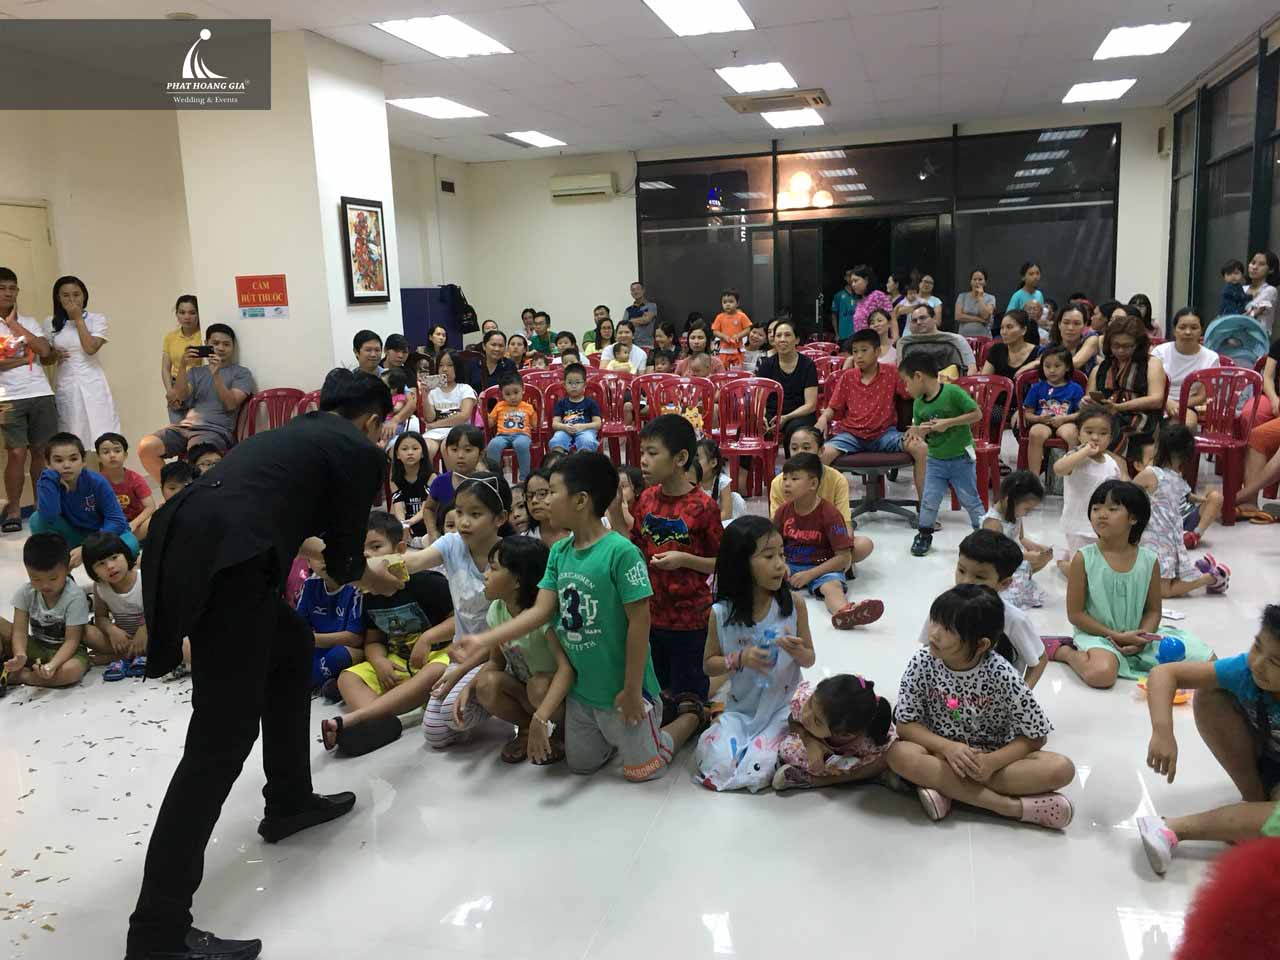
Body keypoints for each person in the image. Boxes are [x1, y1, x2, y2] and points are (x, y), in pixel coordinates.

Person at [124, 368, 407, 960]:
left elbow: (279, 513)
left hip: (187, 539)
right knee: (218, 744)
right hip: (232, 564)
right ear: (373, 421)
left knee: (290, 643)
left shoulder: (297, 432)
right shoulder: (358, 450)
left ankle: (289, 801)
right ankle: (156, 933)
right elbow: (347, 562)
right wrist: (372, 577)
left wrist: (332, 556)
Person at [460, 452, 705, 781]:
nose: (544, 501)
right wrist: (484, 638)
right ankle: (618, 736)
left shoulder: (621, 552)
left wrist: (633, 690)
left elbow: (640, 624)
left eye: (552, 492)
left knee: (643, 771)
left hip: (624, 690)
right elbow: (541, 611)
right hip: (583, 696)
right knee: (581, 766)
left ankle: (689, 716)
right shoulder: (559, 553)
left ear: (580, 501)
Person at [888, 584, 1075, 828]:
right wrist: (948, 747)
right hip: (938, 750)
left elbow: (1036, 737)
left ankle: (945, 788)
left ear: (981, 645)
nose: (933, 633)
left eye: (947, 629)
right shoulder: (922, 662)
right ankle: (1010, 808)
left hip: (988, 759)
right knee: (897, 753)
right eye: (934, 621)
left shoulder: (1002, 674)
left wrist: (991, 763)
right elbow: (905, 724)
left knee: (1061, 769)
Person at [1136, 605, 1280, 876]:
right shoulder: (1246, 672)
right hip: (1266, 761)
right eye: (1257, 646)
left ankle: (1252, 822)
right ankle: (1170, 828)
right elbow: (1164, 673)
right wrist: (1163, 731)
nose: (1258, 663)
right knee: (1210, 694)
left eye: (1276, 662)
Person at [607, 414, 722, 704]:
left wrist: (685, 559)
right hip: (650, 615)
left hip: (690, 620)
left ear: (680, 458)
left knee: (689, 698)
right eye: (642, 453)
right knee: (658, 694)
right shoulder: (646, 499)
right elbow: (633, 550)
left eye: (652, 453)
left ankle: (725, 676)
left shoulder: (704, 506)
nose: (643, 461)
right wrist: (616, 513)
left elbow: (722, 562)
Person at [695, 515, 815, 792]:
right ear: (740, 564)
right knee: (717, 762)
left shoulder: (794, 604)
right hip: (742, 710)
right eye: (769, 556)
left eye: (782, 554)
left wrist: (799, 652)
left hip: (783, 709)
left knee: (759, 767)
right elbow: (709, 665)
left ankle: (781, 759)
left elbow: (810, 659)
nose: (780, 564)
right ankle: (722, 724)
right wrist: (739, 659)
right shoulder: (721, 613)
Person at [1054, 479, 1212, 690]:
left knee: (1208, 662)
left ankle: (1133, 654)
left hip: (1138, 635)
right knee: (1101, 674)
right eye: (1096, 508)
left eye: (1112, 509)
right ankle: (1065, 652)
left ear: (1134, 518)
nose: (1101, 514)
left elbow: (1153, 611)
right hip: (1098, 635)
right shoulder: (1084, 558)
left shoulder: (1149, 560)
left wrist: (1143, 638)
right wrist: (1116, 636)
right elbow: (1076, 614)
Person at [321, 510, 455, 755]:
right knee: (347, 679)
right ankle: (382, 723)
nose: (366, 555)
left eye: (376, 546)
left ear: (400, 549)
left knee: (438, 670)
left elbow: (458, 621)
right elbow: (373, 640)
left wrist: (428, 638)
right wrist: (379, 661)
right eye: (361, 550)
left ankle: (366, 716)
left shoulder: (427, 581)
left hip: (435, 656)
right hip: (398, 663)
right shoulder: (368, 593)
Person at [467, 536, 572, 763]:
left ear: (517, 580)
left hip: (561, 697)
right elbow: (496, 662)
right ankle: (526, 729)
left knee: (538, 685)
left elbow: (568, 670)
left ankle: (562, 732)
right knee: (486, 683)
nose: (485, 575)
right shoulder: (497, 610)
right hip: (527, 691)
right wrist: (469, 686)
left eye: (493, 568)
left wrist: (542, 716)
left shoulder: (543, 618)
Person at [137, 323, 254, 484]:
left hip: (214, 430)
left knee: (197, 455)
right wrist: (183, 366)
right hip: (184, 427)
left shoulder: (241, 373)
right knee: (146, 447)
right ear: (206, 344)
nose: (220, 348)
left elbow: (231, 404)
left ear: (233, 347)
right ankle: (175, 492)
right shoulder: (196, 372)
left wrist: (216, 375)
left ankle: (193, 495)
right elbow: (179, 397)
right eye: (215, 343)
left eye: (226, 344)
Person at [774, 453, 880, 629]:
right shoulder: (782, 511)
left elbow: (843, 558)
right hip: (790, 565)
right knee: (762, 578)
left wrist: (810, 574)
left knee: (832, 588)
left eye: (794, 479)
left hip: (822, 567)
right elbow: (773, 545)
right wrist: (781, 563)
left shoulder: (830, 514)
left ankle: (845, 613)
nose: (786, 484)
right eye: (785, 478)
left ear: (813, 484)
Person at [818, 328, 924, 496]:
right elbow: (833, 407)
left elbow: (914, 395)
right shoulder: (847, 377)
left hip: (885, 434)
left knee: (921, 448)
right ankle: (822, 508)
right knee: (820, 456)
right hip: (851, 435)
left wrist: (917, 425)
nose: (859, 356)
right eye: (855, 351)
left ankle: (925, 507)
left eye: (864, 350)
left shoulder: (892, 373)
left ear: (877, 351)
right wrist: (823, 418)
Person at [899, 352, 984, 557]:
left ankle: (985, 534)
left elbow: (977, 414)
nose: (905, 388)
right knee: (929, 500)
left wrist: (948, 423)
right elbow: (921, 430)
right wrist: (917, 432)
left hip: (961, 458)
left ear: (918, 376)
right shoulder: (918, 403)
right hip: (935, 460)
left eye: (906, 382)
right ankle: (924, 534)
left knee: (970, 499)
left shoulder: (952, 392)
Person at [1135, 422, 1229, 597]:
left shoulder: (1150, 474)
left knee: (1163, 591)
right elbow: (1189, 496)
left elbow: (1126, 494)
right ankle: (1200, 570)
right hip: (1170, 537)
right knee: (1155, 580)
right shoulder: (1177, 478)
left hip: (1155, 539)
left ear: (1160, 449)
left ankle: (1212, 578)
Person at [944, 529, 1048, 685]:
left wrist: (1022, 694)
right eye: (961, 570)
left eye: (979, 577)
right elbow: (928, 651)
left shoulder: (1014, 619)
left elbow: (1039, 660)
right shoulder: (943, 609)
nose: (965, 581)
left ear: (1004, 583)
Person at [0, 267, 56, 534]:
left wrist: (14, 325)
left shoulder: (28, 322)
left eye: (12, 288)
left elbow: (44, 350)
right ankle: (13, 509)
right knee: (16, 453)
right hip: (9, 397)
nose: (8, 293)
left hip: (41, 393)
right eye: (2, 288)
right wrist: (24, 358)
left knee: (41, 453)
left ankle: (40, 507)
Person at [30, 432, 138, 568]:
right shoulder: (47, 482)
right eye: (58, 461)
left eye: (73, 459)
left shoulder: (97, 482)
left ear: (83, 461)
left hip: (102, 533)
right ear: (48, 463)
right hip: (74, 534)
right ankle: (58, 568)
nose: (66, 465)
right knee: (37, 519)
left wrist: (88, 547)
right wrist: (49, 478)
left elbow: (116, 520)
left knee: (130, 545)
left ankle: (100, 565)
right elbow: (48, 516)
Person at [772, 673, 896, 792]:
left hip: (853, 756)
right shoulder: (807, 699)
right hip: (821, 746)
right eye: (810, 705)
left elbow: (882, 756)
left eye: (817, 721)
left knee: (876, 762)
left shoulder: (866, 741)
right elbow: (793, 719)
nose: (806, 716)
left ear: (843, 734)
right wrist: (810, 742)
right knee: (787, 750)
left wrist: (844, 766)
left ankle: (814, 779)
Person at [1, 531, 90, 688]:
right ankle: (21, 667)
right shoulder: (26, 592)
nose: (45, 585)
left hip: (67, 653)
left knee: (71, 671)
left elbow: (72, 641)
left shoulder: (75, 596)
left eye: (53, 578)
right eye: (35, 579)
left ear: (67, 569)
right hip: (37, 647)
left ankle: (24, 676)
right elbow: (19, 632)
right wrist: (20, 654)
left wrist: (52, 665)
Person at [44, 275, 121, 451]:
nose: (72, 299)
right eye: (65, 295)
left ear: (84, 296)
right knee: (72, 431)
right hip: (66, 382)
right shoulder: (50, 322)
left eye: (76, 294)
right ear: (58, 298)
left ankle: (104, 467)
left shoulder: (96, 319)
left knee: (102, 432)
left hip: (92, 381)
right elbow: (45, 359)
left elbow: (90, 348)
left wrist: (78, 319)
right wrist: (54, 354)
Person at [1088, 312, 1167, 464]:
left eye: (1127, 346)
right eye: (1116, 345)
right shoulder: (1101, 368)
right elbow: (1089, 398)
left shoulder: (1151, 363)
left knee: (1109, 428)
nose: (1120, 351)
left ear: (1138, 344)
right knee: (1092, 426)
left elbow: (1156, 400)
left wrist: (1119, 407)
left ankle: (1120, 470)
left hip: (1140, 416)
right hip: (1105, 415)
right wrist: (1087, 402)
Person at [1054, 404, 1124, 569]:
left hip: (1104, 524)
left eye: (1103, 433)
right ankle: (1063, 564)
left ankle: (1066, 560)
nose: (1095, 437)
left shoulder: (1111, 463)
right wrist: (1084, 452)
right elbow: (1059, 469)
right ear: (1079, 435)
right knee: (1082, 568)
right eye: (1089, 432)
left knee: (1102, 565)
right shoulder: (1076, 458)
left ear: (1110, 438)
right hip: (1079, 525)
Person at [293, 550, 366, 696]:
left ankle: (304, 683)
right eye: (317, 556)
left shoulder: (355, 587)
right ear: (308, 563)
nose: (325, 560)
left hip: (348, 649)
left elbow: (355, 638)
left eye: (330, 554)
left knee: (340, 655)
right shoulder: (309, 585)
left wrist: (307, 639)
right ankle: (327, 684)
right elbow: (297, 627)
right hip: (318, 646)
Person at [981, 472, 1050, 610]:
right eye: (1027, 509)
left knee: (1043, 559)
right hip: (998, 564)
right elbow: (995, 554)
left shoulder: (1015, 514)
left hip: (1013, 560)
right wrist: (1025, 556)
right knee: (1010, 596)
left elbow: (1021, 538)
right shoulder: (993, 522)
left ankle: (1021, 579)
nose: (1027, 513)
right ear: (1009, 501)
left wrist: (1039, 547)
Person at [82, 531, 147, 678]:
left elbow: (160, 610)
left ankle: (118, 657)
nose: (110, 566)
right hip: (122, 640)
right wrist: (112, 630)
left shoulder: (144, 579)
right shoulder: (100, 587)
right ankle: (132, 654)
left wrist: (145, 629)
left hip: (150, 634)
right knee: (85, 631)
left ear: (126, 555)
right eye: (101, 564)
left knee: (179, 642)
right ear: (92, 571)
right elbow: (101, 618)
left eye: (114, 557)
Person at [768, 426, 852, 529]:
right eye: (794, 448)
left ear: (821, 451)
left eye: (806, 448)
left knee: (862, 540)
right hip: (791, 536)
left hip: (827, 536)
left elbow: (845, 525)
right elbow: (775, 529)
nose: (799, 453)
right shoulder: (778, 483)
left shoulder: (837, 480)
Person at [1021, 345, 1084, 476]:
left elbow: (1081, 413)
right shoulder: (1036, 388)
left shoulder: (1075, 388)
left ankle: (1070, 475)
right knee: (1035, 433)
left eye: (1057, 366)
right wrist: (1039, 419)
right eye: (1047, 366)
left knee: (1073, 433)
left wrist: (1065, 419)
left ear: (1067, 367)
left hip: (1066, 422)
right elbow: (1027, 414)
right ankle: (1034, 477)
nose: (1052, 370)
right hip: (1042, 423)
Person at [756, 319, 818, 441]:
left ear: (797, 340)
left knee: (795, 431)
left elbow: (810, 405)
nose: (782, 339)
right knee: (747, 427)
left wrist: (786, 417)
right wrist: (761, 417)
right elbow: (759, 400)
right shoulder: (766, 365)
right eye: (778, 336)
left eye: (787, 335)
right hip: (772, 414)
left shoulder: (808, 365)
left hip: (798, 415)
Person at [1154, 309, 1218, 425]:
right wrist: (1167, 402)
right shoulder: (1160, 352)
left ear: (1201, 331)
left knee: (1186, 425)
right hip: (1158, 401)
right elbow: (1151, 387)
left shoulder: (1211, 358)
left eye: (1194, 328)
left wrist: (1179, 405)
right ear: (1174, 330)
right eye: (1182, 327)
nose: (1188, 332)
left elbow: (1202, 396)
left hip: (1188, 404)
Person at [423, 424, 484, 539]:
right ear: (446, 451)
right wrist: (432, 532)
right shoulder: (440, 482)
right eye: (454, 450)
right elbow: (429, 508)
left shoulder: (486, 483)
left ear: (481, 454)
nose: (460, 455)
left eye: (468, 450)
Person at [421, 350, 477, 464]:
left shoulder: (465, 389)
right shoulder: (433, 391)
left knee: (447, 447)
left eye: (450, 365)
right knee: (425, 448)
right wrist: (425, 397)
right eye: (441, 365)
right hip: (435, 432)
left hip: (459, 430)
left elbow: (464, 416)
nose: (445, 369)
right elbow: (430, 418)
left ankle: (451, 475)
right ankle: (429, 475)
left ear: (457, 367)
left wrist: (434, 425)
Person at [95, 433, 155, 540]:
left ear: (125, 455)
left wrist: (134, 524)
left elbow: (150, 507)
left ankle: (122, 542)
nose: (112, 455)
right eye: (106, 452)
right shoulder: (96, 481)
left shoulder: (135, 479)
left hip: (134, 525)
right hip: (109, 526)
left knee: (154, 521)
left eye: (117, 451)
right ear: (98, 457)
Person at [896, 304, 977, 380]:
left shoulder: (957, 340)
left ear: (934, 318)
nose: (918, 322)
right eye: (914, 320)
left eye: (922, 318)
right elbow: (901, 374)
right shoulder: (904, 343)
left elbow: (971, 369)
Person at [484, 372, 535, 481]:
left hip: (522, 435)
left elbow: (535, 426)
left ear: (523, 390)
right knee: (493, 445)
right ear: (501, 394)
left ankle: (524, 478)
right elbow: (490, 423)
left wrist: (537, 413)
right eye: (507, 394)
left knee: (521, 444)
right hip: (502, 435)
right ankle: (495, 477)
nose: (512, 397)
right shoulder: (499, 406)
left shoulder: (528, 407)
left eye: (516, 392)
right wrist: (482, 409)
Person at [547, 362, 602, 454]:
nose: (573, 386)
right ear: (564, 385)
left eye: (577, 382)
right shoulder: (561, 403)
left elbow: (597, 424)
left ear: (585, 385)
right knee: (556, 440)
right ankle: (559, 460)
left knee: (587, 440)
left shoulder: (591, 403)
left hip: (585, 430)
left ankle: (583, 460)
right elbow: (555, 424)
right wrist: (564, 427)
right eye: (570, 383)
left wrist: (583, 426)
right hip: (565, 430)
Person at [388, 431, 430, 544]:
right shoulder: (395, 479)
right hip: (407, 524)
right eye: (404, 449)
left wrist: (410, 522)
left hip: (426, 522)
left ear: (423, 453)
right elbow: (398, 506)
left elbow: (426, 508)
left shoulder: (431, 476)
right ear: (397, 454)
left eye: (415, 449)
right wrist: (403, 524)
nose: (410, 453)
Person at [981, 310, 1040, 381]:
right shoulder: (996, 350)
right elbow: (984, 380)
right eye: (1002, 328)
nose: (1004, 332)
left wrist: (1029, 366)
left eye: (1009, 327)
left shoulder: (1037, 352)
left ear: (1023, 330)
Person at [695, 438, 744, 521]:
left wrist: (707, 522)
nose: (693, 463)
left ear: (713, 462)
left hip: (719, 520)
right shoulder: (692, 481)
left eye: (697, 459)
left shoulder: (722, 482)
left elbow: (726, 514)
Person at [1050, 301, 1101, 375]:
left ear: (1084, 325)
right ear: (1059, 324)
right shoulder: (1050, 346)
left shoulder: (1091, 338)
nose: (1070, 328)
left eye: (1076, 323)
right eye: (1066, 323)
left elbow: (1076, 363)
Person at [847, 265, 894, 336]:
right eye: (851, 282)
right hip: (862, 340)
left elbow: (892, 318)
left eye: (856, 281)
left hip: (876, 340)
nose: (853, 284)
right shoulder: (859, 301)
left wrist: (894, 338)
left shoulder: (877, 295)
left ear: (866, 280)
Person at [467, 329, 516, 394]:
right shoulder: (472, 363)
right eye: (493, 345)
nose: (497, 349)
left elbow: (514, 390)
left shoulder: (510, 364)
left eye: (501, 346)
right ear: (484, 346)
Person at [712, 288, 751, 368]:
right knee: (723, 369)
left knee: (738, 369)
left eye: (731, 301)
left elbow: (748, 329)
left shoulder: (742, 316)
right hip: (724, 349)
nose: (727, 304)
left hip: (738, 349)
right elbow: (715, 331)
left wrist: (739, 336)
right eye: (724, 302)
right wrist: (723, 336)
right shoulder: (719, 317)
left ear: (737, 303)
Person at [1243, 250, 1279, 335]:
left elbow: (1252, 314)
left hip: (1257, 338)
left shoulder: (1270, 290)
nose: (1254, 267)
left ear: (1271, 270)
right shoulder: (1242, 289)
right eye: (1253, 263)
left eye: (1261, 264)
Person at [955, 267, 996, 338]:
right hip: (964, 338)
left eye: (980, 279)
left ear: (985, 282)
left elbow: (986, 316)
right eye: (974, 279)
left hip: (984, 337)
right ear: (971, 282)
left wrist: (980, 297)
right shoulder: (962, 296)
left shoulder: (991, 298)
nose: (977, 282)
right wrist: (979, 319)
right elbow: (958, 316)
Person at [624, 281, 657, 348]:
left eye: (638, 289)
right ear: (631, 293)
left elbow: (646, 320)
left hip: (647, 344)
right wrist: (641, 319)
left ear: (643, 290)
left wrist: (631, 320)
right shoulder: (628, 310)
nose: (636, 292)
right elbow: (625, 325)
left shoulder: (651, 306)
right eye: (633, 290)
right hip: (631, 345)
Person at [831, 268, 858, 341]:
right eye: (849, 275)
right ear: (845, 278)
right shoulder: (838, 295)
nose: (851, 278)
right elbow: (834, 316)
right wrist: (836, 334)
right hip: (843, 335)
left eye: (853, 275)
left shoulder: (860, 294)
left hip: (858, 334)